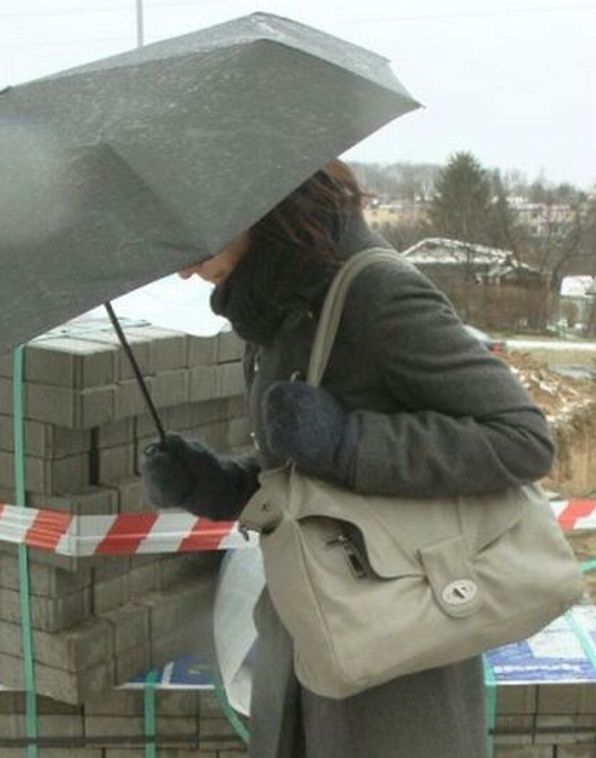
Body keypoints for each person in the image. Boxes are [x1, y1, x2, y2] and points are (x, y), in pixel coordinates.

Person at [141, 159, 554, 758]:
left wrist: (348, 443)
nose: (182, 268)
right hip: (308, 629)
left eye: (192, 237)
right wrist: (221, 487)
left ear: (250, 198)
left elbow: (520, 439)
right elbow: (306, 480)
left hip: (399, 643)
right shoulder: (270, 307)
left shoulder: (372, 291)